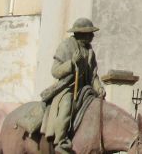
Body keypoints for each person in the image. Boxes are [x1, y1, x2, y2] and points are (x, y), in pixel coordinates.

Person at [41, 18, 106, 154]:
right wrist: (71, 63)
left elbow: (93, 76)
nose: (92, 36)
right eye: (90, 33)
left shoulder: (90, 52)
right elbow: (55, 71)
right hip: (68, 88)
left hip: (85, 91)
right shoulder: (66, 46)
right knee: (66, 105)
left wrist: (99, 88)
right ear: (81, 34)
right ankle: (61, 142)